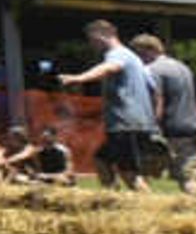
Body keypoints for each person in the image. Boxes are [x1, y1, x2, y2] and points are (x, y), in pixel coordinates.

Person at [53, 20, 163, 185]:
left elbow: (108, 68)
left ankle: (151, 208)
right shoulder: (134, 58)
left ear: (101, 35)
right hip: (135, 123)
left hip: (125, 124)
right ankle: (112, 198)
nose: (92, 45)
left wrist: (78, 78)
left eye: (92, 40)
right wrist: (153, 119)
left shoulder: (117, 54)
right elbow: (154, 91)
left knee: (129, 174)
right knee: (102, 161)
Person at [136, 34, 196, 191]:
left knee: (142, 173)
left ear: (150, 50)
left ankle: (146, 212)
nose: (139, 58)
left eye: (140, 53)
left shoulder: (151, 70)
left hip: (166, 128)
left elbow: (156, 100)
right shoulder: (183, 67)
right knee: (187, 177)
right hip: (190, 127)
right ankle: (194, 210)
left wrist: (148, 128)